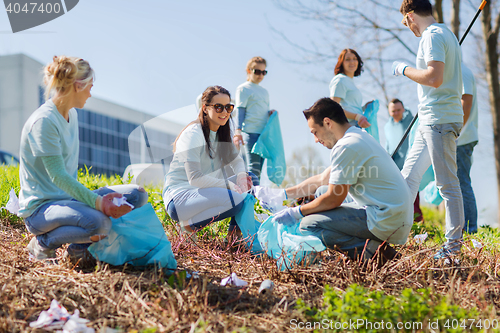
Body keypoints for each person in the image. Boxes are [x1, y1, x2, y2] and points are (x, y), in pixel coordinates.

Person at [19, 56, 148, 265]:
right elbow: (58, 176)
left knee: (137, 195)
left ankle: (77, 250)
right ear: (78, 86)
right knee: (100, 224)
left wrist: (100, 202)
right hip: (41, 211)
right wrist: (99, 203)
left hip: (67, 202)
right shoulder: (44, 122)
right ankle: (43, 243)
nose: (90, 93)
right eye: (90, 87)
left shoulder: (71, 115)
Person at [257, 98, 413, 265]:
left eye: (315, 132)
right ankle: (369, 246)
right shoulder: (356, 136)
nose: (316, 140)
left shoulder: (347, 146)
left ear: (327, 123)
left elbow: (334, 198)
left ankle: (376, 253)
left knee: (308, 224)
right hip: (394, 213)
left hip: (388, 218)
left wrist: (296, 212)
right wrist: (281, 194)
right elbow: (323, 179)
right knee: (320, 191)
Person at [393, 0, 464, 258]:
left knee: (447, 185)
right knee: (408, 178)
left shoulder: (432, 36)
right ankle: (392, 233)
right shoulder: (447, 34)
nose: (407, 27)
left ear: (410, 16)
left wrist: (403, 69)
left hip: (440, 119)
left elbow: (434, 78)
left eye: (404, 22)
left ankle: (452, 249)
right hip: (429, 119)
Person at [164, 85, 256, 239]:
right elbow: (195, 178)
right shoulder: (193, 134)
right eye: (218, 107)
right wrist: (230, 186)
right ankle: (187, 225)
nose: (225, 112)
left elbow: (237, 160)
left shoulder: (221, 134)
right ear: (205, 108)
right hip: (179, 198)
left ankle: (233, 239)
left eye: (228, 107)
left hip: (202, 193)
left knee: (250, 179)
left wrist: (240, 177)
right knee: (236, 198)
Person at [233, 56, 276, 180]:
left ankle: (255, 196)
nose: (261, 75)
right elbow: (241, 109)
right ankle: (251, 197)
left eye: (264, 72)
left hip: (263, 134)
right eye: (257, 71)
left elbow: (260, 111)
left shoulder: (265, 92)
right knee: (253, 168)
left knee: (258, 170)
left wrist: (270, 113)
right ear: (248, 70)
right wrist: (238, 131)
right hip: (251, 133)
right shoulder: (243, 89)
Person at [384, 98, 424, 222]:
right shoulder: (388, 126)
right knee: (398, 196)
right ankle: (401, 221)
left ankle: (417, 221)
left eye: (399, 110)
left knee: (413, 196)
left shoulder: (409, 120)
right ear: (389, 112)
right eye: (393, 111)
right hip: (396, 168)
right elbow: (388, 145)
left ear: (403, 109)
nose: (396, 113)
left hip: (410, 164)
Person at [457, 63, 479, 233]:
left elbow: (466, 103)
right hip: (461, 138)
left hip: (461, 138)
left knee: (462, 184)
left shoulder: (462, 71)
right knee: (459, 185)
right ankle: (464, 228)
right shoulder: (457, 71)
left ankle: (470, 229)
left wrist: (455, 133)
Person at [329, 49, 371, 128]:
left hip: (355, 125)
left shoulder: (349, 81)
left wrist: (364, 108)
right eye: (347, 59)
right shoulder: (340, 80)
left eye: (354, 59)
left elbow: (349, 106)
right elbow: (333, 108)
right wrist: (357, 117)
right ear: (342, 63)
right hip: (346, 127)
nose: (352, 62)